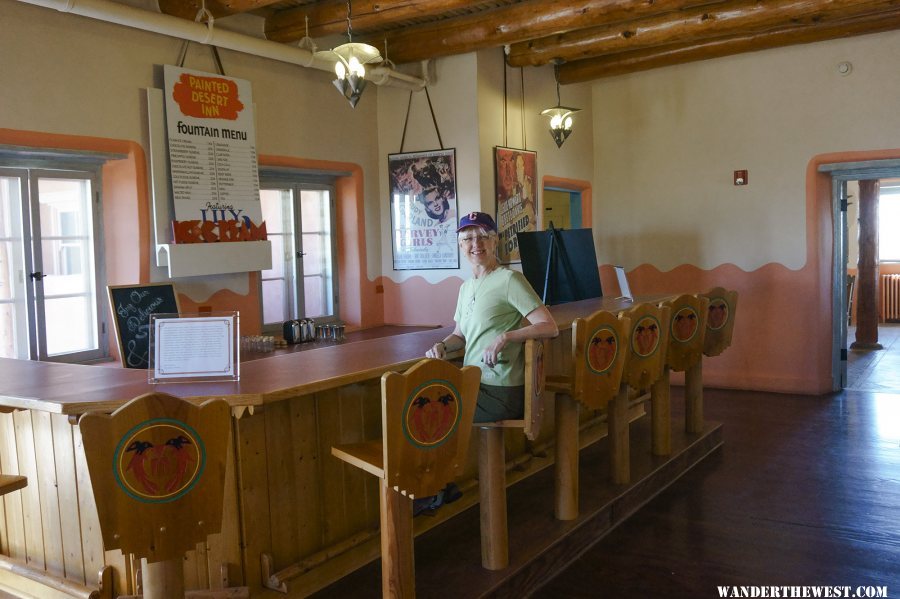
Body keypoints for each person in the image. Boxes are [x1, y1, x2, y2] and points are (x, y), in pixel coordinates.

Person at [426, 211, 558, 423]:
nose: (476, 243)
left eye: (483, 236)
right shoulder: (465, 287)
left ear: (495, 241)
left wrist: (504, 337)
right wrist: (442, 345)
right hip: (472, 381)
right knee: (425, 400)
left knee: (431, 412)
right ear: (461, 246)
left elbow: (549, 326)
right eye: (468, 238)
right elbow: (459, 336)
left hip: (500, 391)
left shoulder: (509, 280)